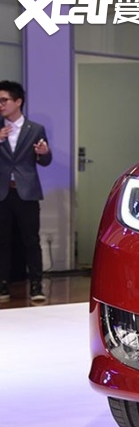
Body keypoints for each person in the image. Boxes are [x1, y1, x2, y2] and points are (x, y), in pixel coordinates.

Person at [0, 80, 52, 303]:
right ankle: (3, 285)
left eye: (4, 100)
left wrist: (44, 152)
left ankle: (36, 285)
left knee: (31, 240)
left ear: (18, 101)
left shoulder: (35, 129)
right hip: (2, 192)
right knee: (2, 241)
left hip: (27, 192)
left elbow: (45, 161)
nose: (1, 105)